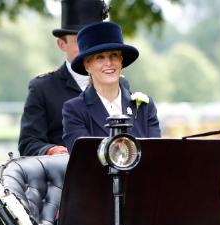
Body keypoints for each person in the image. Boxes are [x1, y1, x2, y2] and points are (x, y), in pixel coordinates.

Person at [18, 0, 116, 156]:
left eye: (93, 39)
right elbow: (28, 142)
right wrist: (50, 150)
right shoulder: (42, 88)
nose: (88, 47)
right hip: (64, 175)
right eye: (80, 40)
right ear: (61, 44)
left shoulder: (119, 84)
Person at [62, 21, 160, 152]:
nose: (108, 63)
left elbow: (157, 153)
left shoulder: (145, 106)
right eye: (100, 58)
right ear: (87, 65)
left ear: (121, 60)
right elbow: (83, 158)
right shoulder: (75, 110)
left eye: (113, 55)